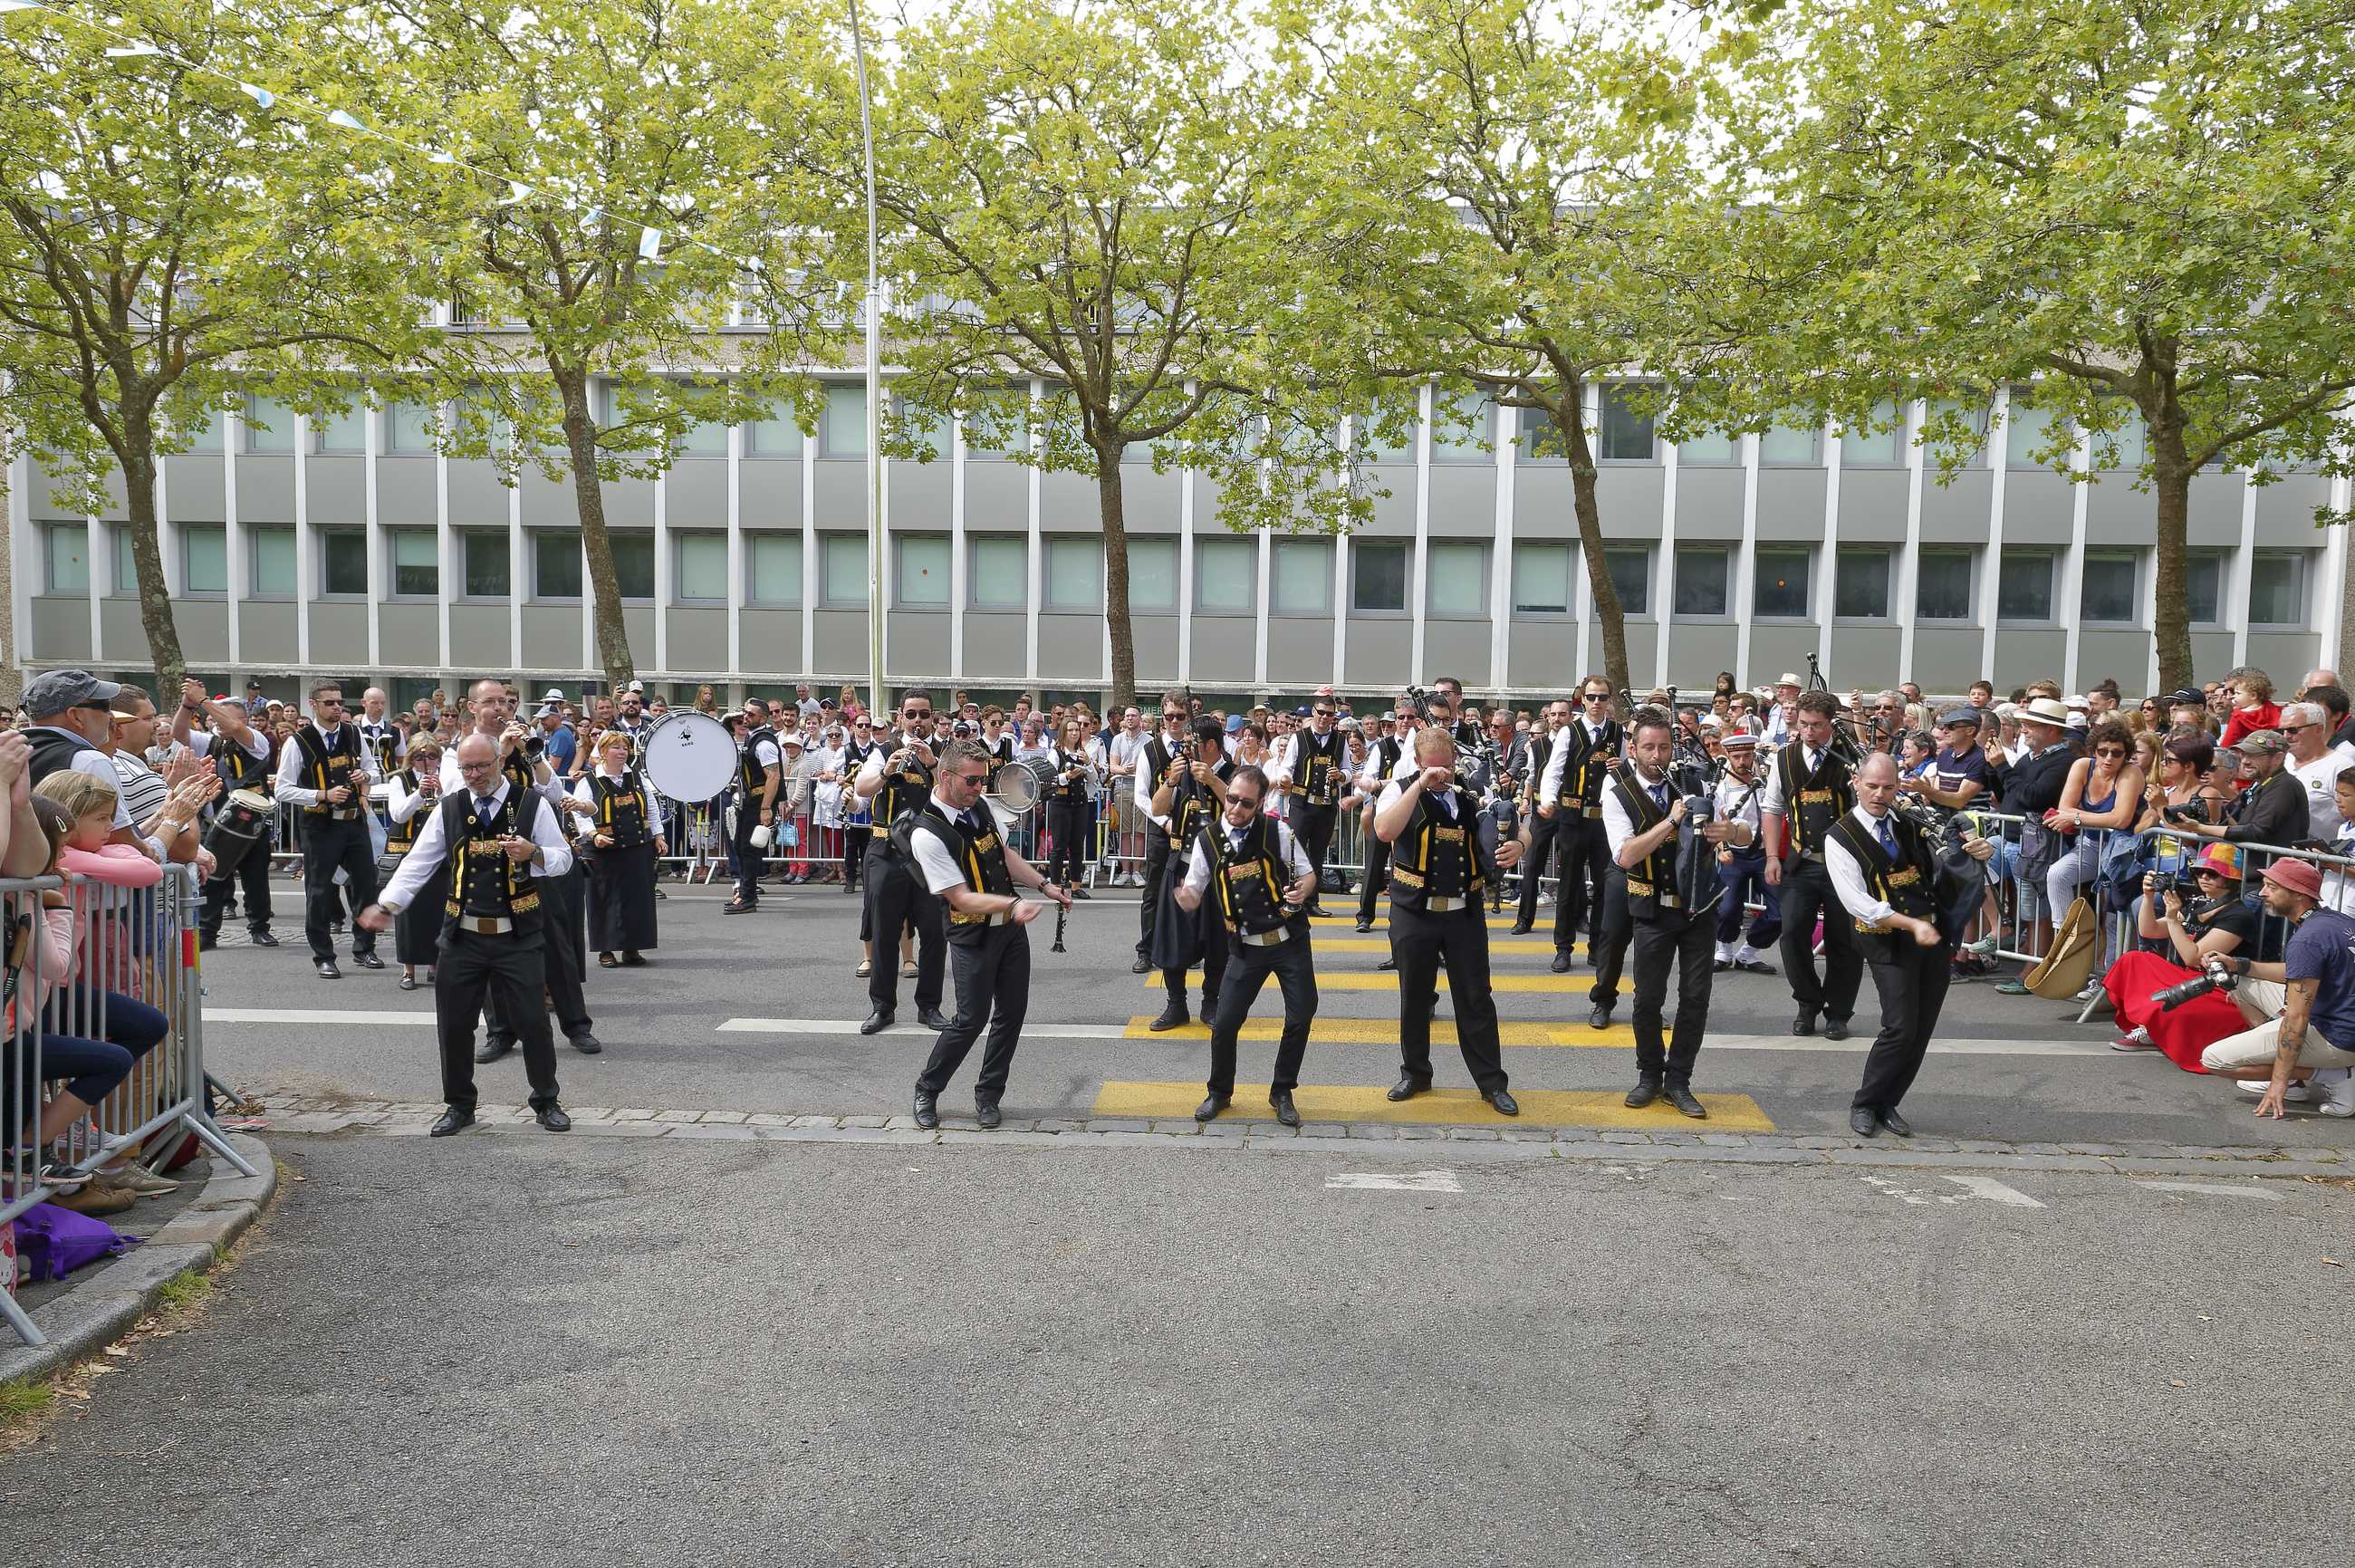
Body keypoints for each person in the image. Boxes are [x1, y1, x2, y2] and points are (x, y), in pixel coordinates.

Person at [357, 734, 576, 1137]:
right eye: (467, 769)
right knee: (454, 1024)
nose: (474, 776)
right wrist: (386, 905)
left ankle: (546, 1100)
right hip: (463, 935)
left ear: (499, 761)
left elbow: (563, 859)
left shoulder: (531, 804)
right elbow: (417, 862)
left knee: (532, 1021)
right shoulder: (450, 808)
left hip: (519, 935)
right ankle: (459, 1105)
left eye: (482, 767)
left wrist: (534, 853)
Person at [901, 737, 1070, 1130]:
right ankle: (928, 1087)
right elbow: (959, 898)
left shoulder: (977, 806)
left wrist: (1044, 886)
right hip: (971, 935)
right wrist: (1012, 905)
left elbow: (1004, 855)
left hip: (1009, 931)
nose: (980, 788)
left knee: (1011, 1016)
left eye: (983, 780)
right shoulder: (927, 833)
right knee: (969, 1020)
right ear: (946, 777)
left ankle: (989, 1096)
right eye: (973, 781)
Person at [1827, 754, 1995, 1136]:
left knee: (1921, 1028)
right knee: (1900, 1026)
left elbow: (1944, 868)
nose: (1880, 794)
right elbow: (1858, 903)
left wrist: (1976, 853)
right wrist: (1909, 924)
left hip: (1932, 937)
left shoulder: (1909, 823)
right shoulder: (1840, 836)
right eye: (1872, 786)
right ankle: (1865, 1102)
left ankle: (1889, 1102)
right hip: (1888, 940)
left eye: (1888, 787)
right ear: (1856, 782)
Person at [1601, 711, 1749, 1119]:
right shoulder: (1618, 794)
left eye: (1664, 747)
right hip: (1652, 908)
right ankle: (1649, 1074)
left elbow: (1745, 833)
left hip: (1698, 908)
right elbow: (1626, 855)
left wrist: (1728, 833)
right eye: (1648, 747)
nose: (1657, 755)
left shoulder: (1696, 783)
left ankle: (1679, 1080)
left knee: (1695, 997)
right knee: (1648, 998)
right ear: (1632, 749)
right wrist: (1671, 820)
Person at [1375, 726, 1523, 1115]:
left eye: (1447, 767)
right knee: (1416, 997)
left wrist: (1520, 843)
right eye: (1433, 768)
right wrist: (1419, 785)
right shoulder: (1400, 788)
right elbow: (1384, 829)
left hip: (1464, 913)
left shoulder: (1471, 792)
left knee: (1476, 998)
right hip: (1414, 912)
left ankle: (1492, 1083)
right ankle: (1415, 1073)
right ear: (1420, 762)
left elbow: (1514, 821)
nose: (1442, 776)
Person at [1175, 765, 1320, 1126]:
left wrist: (1304, 888)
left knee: (1302, 1013)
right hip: (1245, 945)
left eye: (1246, 804)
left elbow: (1308, 873)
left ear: (1260, 804)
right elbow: (1195, 885)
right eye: (1232, 799)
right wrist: (1186, 898)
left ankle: (1282, 1090)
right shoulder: (1207, 839)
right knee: (1224, 1023)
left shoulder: (1279, 831)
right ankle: (1219, 1092)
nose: (1236, 809)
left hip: (1289, 940)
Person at [2196, 860, 2355, 1118]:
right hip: (2341, 1021)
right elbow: (2300, 970)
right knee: (2238, 981)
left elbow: (2296, 1018)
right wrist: (2238, 964)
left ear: (2299, 895)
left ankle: (2335, 1075)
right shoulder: (2333, 920)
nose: (2261, 893)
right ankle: (2299, 1076)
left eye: (2272, 887)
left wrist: (2278, 1081)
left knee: (2213, 1059)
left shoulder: (2307, 939)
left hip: (2339, 1038)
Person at [851, 689, 952, 1035]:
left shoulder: (944, 752)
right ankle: (882, 1007)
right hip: (886, 851)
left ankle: (930, 1007)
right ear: (900, 717)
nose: (918, 721)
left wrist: (934, 766)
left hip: (930, 856)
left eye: (924, 715)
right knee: (884, 930)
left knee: (936, 933)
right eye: (911, 715)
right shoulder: (884, 749)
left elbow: (960, 795)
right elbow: (862, 788)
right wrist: (885, 773)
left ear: (933, 717)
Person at [1762, 690, 1860, 1039]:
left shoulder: (1850, 757)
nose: (1809, 732)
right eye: (1804, 724)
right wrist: (1773, 856)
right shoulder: (1785, 758)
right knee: (1791, 935)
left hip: (1844, 866)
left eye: (1817, 725)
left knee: (1844, 941)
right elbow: (1772, 808)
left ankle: (1839, 1012)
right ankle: (1807, 1001)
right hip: (1801, 862)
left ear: (1831, 723)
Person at [2105, 845, 2257, 1063]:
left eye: (2212, 873)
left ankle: (2151, 1027)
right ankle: (2149, 1026)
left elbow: (2193, 957)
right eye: (2199, 872)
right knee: (2134, 960)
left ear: (2229, 878)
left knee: (2171, 1005)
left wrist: (2174, 919)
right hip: (2189, 978)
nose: (2204, 877)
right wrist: (2148, 897)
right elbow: (2149, 931)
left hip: (2219, 990)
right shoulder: (2198, 903)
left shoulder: (2239, 915)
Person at [275, 680, 381, 978]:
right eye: (330, 703)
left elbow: (374, 770)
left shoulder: (352, 732)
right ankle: (323, 954)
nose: (337, 707)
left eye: (339, 703)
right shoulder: (298, 741)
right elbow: (283, 789)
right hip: (320, 825)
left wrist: (365, 776)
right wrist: (321, 795)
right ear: (314, 705)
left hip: (354, 822)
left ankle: (364, 948)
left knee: (365, 886)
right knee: (320, 891)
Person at [172, 684, 278, 948]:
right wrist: (187, 705)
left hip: (252, 823)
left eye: (221, 714)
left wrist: (205, 700)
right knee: (212, 878)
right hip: (216, 820)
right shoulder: (210, 740)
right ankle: (208, 932)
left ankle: (259, 927)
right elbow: (178, 733)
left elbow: (234, 729)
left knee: (256, 879)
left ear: (241, 719)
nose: (215, 719)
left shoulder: (255, 739)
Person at [1147, 717, 1235, 1031]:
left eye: (1192, 742)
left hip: (1218, 870)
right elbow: (1157, 810)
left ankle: (1211, 1003)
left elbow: (1242, 809)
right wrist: (1170, 782)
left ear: (1210, 745)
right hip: (1181, 867)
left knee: (1217, 941)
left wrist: (1212, 781)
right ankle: (1176, 1005)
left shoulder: (1232, 772)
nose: (1186, 748)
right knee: (1174, 938)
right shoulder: (1180, 773)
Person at [571, 729, 665, 967]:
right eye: (616, 747)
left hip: (636, 846)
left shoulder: (637, 778)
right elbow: (579, 813)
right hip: (603, 849)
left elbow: (651, 809)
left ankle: (632, 947)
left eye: (624, 747)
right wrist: (593, 835)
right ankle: (605, 949)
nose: (622, 752)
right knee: (604, 898)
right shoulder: (589, 781)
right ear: (603, 752)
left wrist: (658, 836)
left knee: (636, 898)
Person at [1131, 692, 1195, 971]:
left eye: (1180, 717)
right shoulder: (1150, 749)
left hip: (1191, 830)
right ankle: (1146, 949)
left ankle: (1187, 948)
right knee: (1154, 890)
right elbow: (1141, 796)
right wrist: (1165, 823)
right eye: (1170, 716)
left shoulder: (1195, 748)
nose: (1175, 722)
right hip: (1162, 828)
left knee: (1188, 888)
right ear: (1162, 716)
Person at [1709, 732, 1779, 974]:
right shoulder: (1719, 789)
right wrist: (1722, 849)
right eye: (1737, 756)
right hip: (1734, 856)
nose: (1742, 762)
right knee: (1728, 909)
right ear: (1728, 756)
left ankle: (1748, 953)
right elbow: (1716, 824)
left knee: (1780, 912)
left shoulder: (1766, 783)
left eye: (1747, 756)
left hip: (1763, 854)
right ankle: (1723, 951)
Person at [1274, 697, 1349, 914]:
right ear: (1314, 712)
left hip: (1326, 805)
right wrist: (1285, 779)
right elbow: (1286, 766)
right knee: (1294, 852)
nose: (1325, 718)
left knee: (1317, 855)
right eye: (1322, 712)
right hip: (1301, 803)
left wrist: (1342, 775)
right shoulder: (1299, 738)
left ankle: (1311, 902)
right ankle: (1287, 897)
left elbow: (1348, 770)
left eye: (1330, 714)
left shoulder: (1339, 740)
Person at [726, 696, 781, 913]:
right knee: (741, 846)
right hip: (750, 801)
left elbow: (773, 776)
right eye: (745, 713)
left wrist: (766, 808)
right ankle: (746, 892)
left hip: (758, 802)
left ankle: (747, 896)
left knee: (748, 849)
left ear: (763, 718)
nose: (745, 717)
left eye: (751, 714)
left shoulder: (764, 743)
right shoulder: (754, 738)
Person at [1043, 717, 1099, 898]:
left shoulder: (1082, 753)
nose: (1075, 733)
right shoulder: (1056, 753)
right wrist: (1067, 776)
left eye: (1077, 730)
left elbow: (1093, 779)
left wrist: (1089, 763)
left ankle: (1075, 886)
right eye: (1071, 730)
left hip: (1080, 803)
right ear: (1063, 733)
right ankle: (1056, 886)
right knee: (1059, 846)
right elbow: (1049, 779)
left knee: (1077, 846)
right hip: (1061, 803)